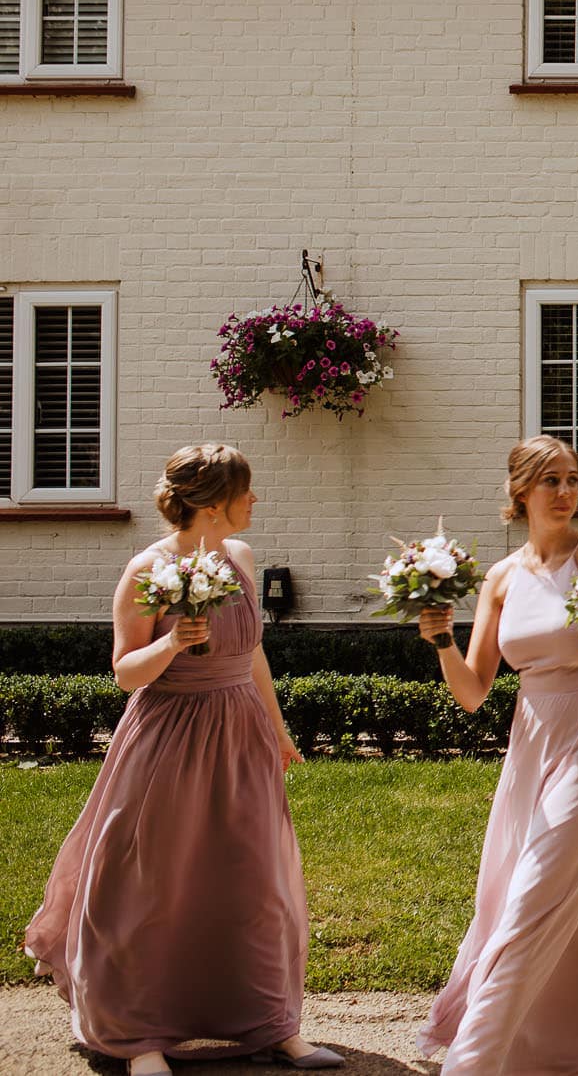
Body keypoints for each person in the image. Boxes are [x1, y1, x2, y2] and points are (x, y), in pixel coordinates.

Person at [24, 444, 337, 1074]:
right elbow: (123, 671)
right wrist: (172, 640)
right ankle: (139, 1036)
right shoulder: (147, 566)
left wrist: (278, 731)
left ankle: (272, 1024)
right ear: (215, 504)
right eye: (246, 492)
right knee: (151, 885)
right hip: (168, 737)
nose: (256, 501)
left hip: (240, 732)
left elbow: (252, 657)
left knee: (254, 881)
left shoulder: (240, 557)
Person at [415, 435, 578, 1076]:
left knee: (534, 898)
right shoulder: (501, 579)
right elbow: (475, 691)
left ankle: (471, 1065)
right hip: (533, 741)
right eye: (551, 481)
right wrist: (442, 640)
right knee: (552, 901)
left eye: (573, 480)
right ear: (521, 492)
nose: (565, 493)